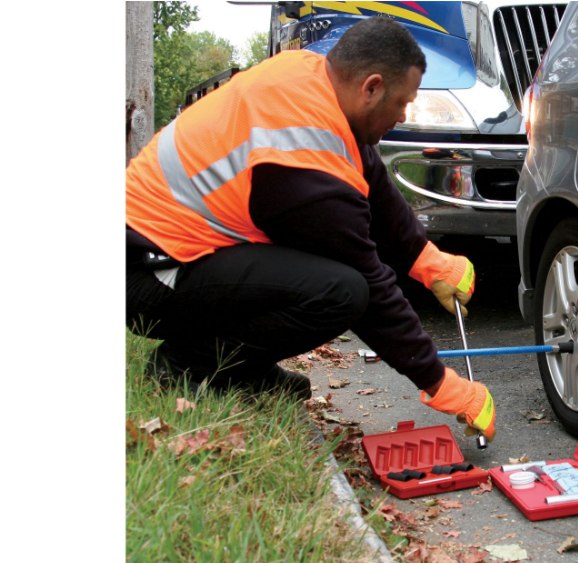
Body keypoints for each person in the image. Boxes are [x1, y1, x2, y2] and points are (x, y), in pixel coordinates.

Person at [125, 17, 495, 441]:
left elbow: (370, 175)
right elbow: (374, 291)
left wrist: (427, 260)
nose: (403, 114)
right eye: (402, 102)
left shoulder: (311, 76)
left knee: (325, 282)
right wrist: (441, 384)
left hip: (169, 249)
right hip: (150, 275)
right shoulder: (302, 170)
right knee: (340, 292)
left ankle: (244, 367)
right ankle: (189, 362)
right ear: (370, 87)